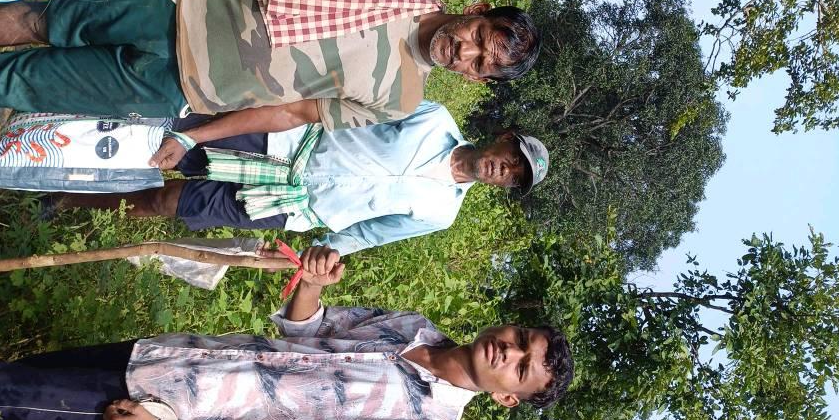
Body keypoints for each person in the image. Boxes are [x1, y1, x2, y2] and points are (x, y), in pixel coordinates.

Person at [0, 247, 574, 420]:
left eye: (521, 369)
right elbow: (306, 329)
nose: (509, 352)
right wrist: (311, 282)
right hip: (172, 355)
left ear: (508, 398)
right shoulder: (413, 328)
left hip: (166, 409)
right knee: (12, 380)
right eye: (520, 339)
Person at [0, 0, 542, 168]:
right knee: (42, 21)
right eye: (480, 38)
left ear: (478, 81)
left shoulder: (399, 99)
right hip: (180, 3)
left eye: (481, 65)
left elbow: (291, 113)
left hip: (176, 87)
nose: (466, 52)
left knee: (23, 83)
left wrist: (195, 136)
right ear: (478, 10)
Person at [46, 100, 551, 256]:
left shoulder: (442, 212)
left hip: (289, 206)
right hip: (284, 143)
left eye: (513, 178)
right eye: (511, 158)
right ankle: (66, 135)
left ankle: (65, 198)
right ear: (503, 139)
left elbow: (370, 232)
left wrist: (326, 251)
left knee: (170, 203)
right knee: (176, 143)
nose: (504, 170)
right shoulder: (434, 119)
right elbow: (358, 105)